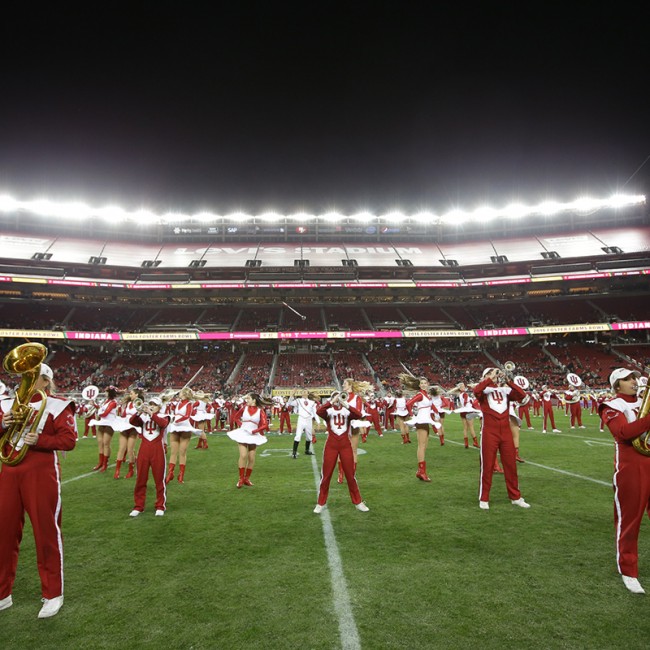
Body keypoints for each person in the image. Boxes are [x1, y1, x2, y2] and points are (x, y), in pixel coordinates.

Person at [0, 362, 77, 618]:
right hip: (9, 472)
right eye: (23, 376)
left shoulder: (58, 404)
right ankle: (3, 593)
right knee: (4, 532)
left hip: (41, 473)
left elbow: (68, 440)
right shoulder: (6, 405)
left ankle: (53, 593)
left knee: (46, 532)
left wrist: (41, 440)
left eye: (32, 377)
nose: (25, 381)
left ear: (46, 381)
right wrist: (3, 424)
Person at [599, 368, 650, 594]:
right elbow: (622, 432)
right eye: (627, 379)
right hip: (631, 467)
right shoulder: (612, 405)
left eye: (634, 378)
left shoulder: (644, 400)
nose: (634, 381)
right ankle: (628, 570)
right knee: (630, 520)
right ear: (617, 385)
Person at [474, 367, 530, 510]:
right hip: (489, 432)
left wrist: (509, 381)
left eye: (495, 373)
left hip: (505, 432)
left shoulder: (504, 390)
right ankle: (484, 497)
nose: (494, 375)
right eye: (490, 373)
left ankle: (515, 497)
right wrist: (489, 378)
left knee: (510, 465)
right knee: (487, 466)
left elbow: (522, 395)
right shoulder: (483, 391)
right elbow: (476, 391)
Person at [313, 392, 369, 513]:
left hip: (345, 445)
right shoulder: (328, 411)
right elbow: (319, 412)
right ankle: (320, 502)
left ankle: (358, 502)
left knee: (350, 475)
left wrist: (346, 404)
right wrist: (331, 401)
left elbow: (358, 414)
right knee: (326, 475)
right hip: (331, 445)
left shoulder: (347, 411)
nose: (338, 399)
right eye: (335, 397)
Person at [128, 397, 170, 517]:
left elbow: (162, 424)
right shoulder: (143, 417)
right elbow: (132, 421)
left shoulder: (164, 416)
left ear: (159, 407)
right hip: (144, 449)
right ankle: (138, 506)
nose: (151, 406)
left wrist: (151, 413)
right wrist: (139, 411)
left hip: (157, 449)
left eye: (154, 405)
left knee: (159, 479)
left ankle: (160, 505)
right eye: (150, 404)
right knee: (140, 478)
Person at [400, 373, 442, 482]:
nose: (423, 385)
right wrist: (412, 415)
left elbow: (430, 405)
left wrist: (436, 412)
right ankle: (421, 472)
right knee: (421, 446)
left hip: (426, 421)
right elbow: (408, 404)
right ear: (419, 385)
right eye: (421, 383)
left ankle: (420, 471)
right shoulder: (420, 395)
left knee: (424, 446)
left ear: (428, 384)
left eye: (425, 383)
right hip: (422, 421)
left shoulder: (426, 395)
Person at [227, 393, 271, 487]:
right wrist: (241, 425)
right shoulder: (244, 408)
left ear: (254, 400)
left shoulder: (260, 411)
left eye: (249, 398)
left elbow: (264, 425)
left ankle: (247, 479)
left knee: (251, 457)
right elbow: (235, 417)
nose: (247, 400)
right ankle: (241, 479)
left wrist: (255, 431)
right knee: (243, 455)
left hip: (253, 435)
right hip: (243, 433)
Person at [165, 387, 200, 484]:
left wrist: (177, 420)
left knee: (182, 452)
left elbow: (187, 416)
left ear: (185, 394)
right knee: (173, 452)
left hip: (184, 427)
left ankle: (181, 475)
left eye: (180, 393)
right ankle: (170, 473)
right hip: (176, 427)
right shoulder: (178, 403)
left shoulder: (189, 404)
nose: (179, 394)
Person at [89, 386, 121, 472]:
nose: (105, 393)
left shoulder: (113, 402)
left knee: (106, 443)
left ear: (110, 393)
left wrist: (98, 415)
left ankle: (105, 464)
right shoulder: (105, 401)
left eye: (106, 391)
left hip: (109, 423)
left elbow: (106, 412)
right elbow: (101, 409)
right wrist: (94, 405)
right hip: (102, 422)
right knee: (100, 442)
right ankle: (100, 462)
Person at [114, 388, 143, 479]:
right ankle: (117, 470)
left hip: (133, 428)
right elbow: (124, 415)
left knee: (130, 449)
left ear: (137, 395)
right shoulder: (129, 403)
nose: (130, 395)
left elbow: (140, 417)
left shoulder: (139, 404)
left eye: (132, 394)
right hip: (125, 426)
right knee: (121, 448)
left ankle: (131, 470)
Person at [287, 389, 319, 458]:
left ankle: (307, 450)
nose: (303, 392)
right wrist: (291, 395)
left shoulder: (312, 402)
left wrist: (318, 422)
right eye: (302, 392)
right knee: (298, 435)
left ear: (308, 394)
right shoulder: (298, 400)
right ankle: (294, 453)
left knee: (309, 436)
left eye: (305, 392)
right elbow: (289, 403)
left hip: (309, 420)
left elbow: (315, 413)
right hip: (301, 419)